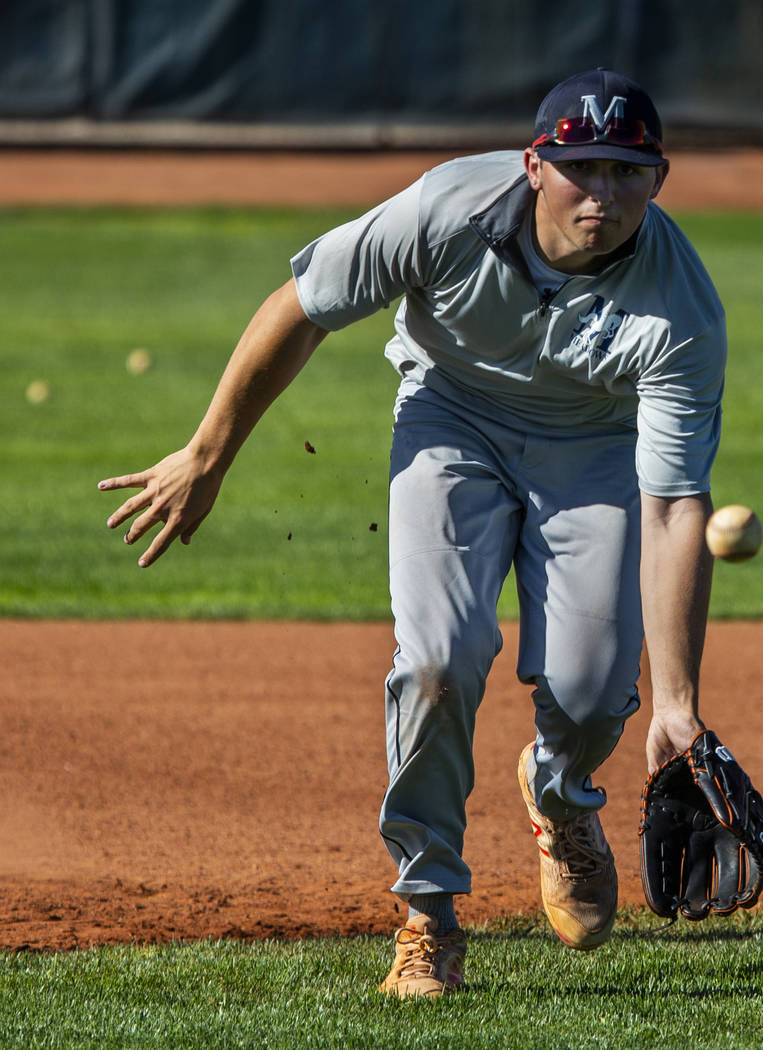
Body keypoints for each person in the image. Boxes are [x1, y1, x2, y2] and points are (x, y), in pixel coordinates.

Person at [99, 68, 726, 997]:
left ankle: (561, 797)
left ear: (658, 179)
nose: (602, 192)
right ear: (534, 165)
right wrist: (207, 455)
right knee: (437, 657)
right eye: (580, 167)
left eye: (628, 171)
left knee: (596, 697)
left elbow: (673, 505)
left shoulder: (681, 309)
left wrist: (674, 700)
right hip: (450, 424)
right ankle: (427, 913)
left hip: (588, 450)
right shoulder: (445, 208)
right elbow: (301, 308)